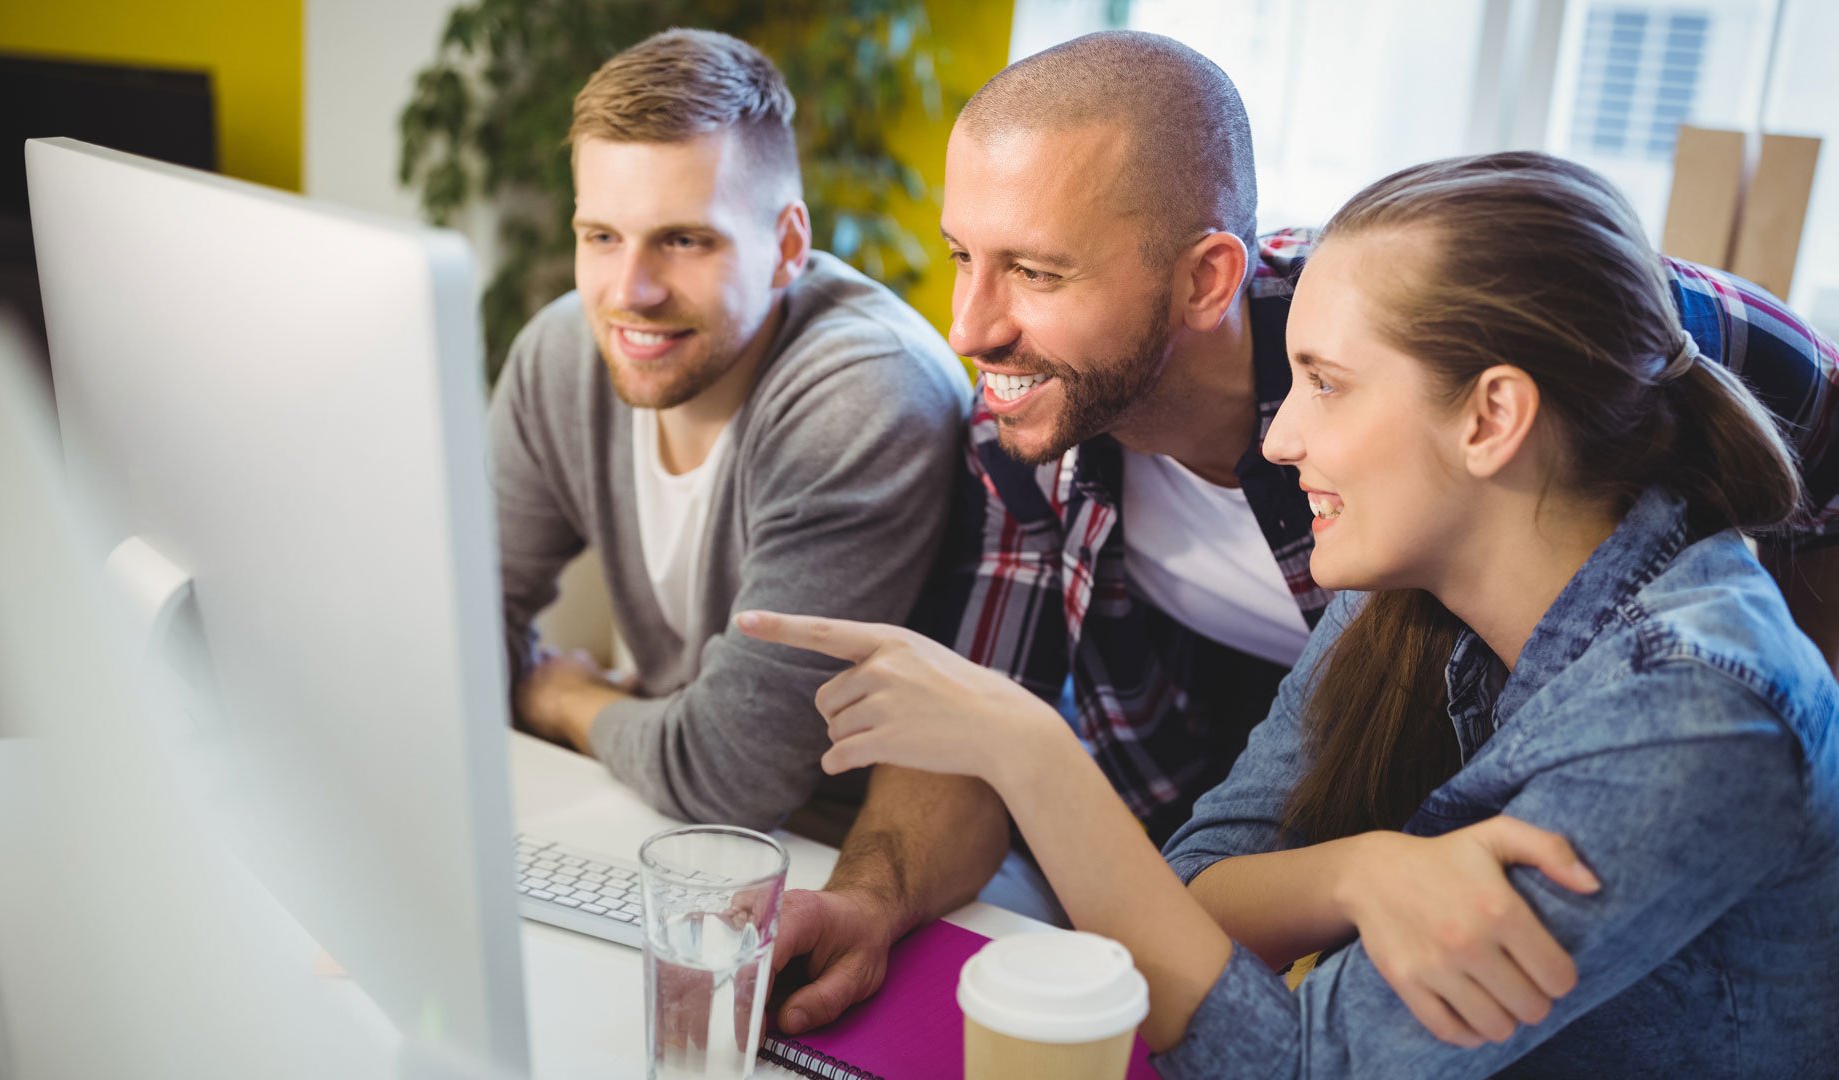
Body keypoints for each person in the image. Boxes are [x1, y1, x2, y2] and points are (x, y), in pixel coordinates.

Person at [760, 30, 1839, 1045]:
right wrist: (871, 902)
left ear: (1207, 280)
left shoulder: (1423, 335)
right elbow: (1040, 752)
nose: (967, 326)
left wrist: (1766, 772)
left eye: (1038, 273)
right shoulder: (1045, 435)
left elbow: (1712, 383)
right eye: (962, 255)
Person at [489, 29, 969, 830]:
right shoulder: (562, 352)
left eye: (684, 240)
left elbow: (732, 772)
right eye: (600, 236)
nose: (628, 292)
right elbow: (465, 621)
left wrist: (568, 697)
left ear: (785, 246)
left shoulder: (864, 395)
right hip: (657, 807)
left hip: (855, 849)